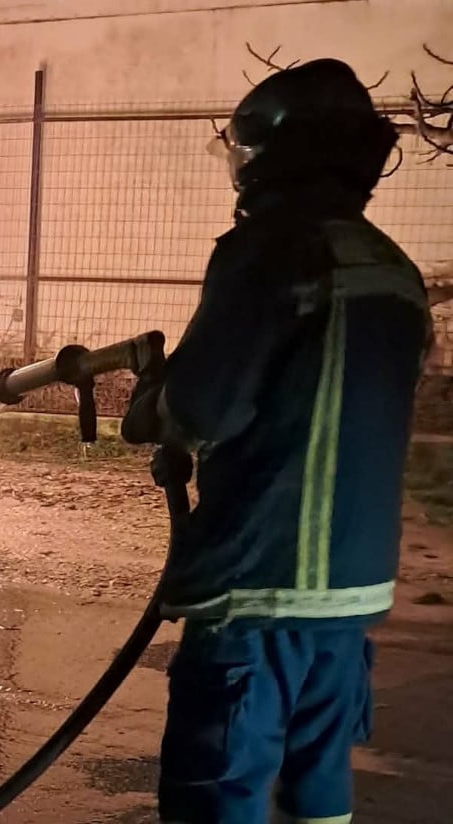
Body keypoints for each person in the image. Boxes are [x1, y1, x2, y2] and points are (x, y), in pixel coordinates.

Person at [122, 59, 434, 824]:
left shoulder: (268, 252)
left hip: (257, 588)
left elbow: (202, 409)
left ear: (270, 151)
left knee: (215, 795)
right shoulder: (394, 269)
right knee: (318, 797)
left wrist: (154, 404)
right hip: (352, 598)